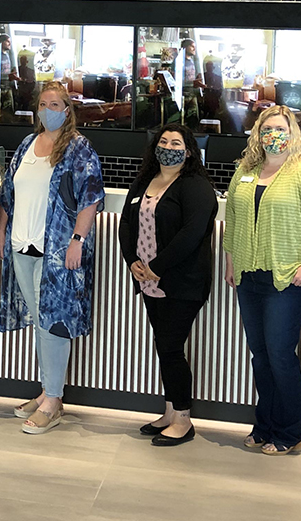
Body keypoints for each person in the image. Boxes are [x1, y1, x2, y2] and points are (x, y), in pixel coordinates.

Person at [224, 105, 301, 455]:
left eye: (281, 128)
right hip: (248, 277)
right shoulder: (246, 171)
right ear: (258, 133)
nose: (274, 134)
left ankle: (289, 431)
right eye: (268, 128)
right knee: (260, 356)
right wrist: (231, 263)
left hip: (287, 281)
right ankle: (264, 426)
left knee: (280, 355)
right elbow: (231, 221)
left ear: (292, 134)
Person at [0, 81, 104, 434]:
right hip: (21, 245)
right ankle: (46, 391)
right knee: (42, 323)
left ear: (67, 109)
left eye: (55, 104)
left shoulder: (78, 148)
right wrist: (1, 231)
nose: (48, 110)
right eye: (43, 104)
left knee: (54, 323)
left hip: (57, 251)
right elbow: (8, 193)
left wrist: (77, 240)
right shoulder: (27, 144)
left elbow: (91, 199)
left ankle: (54, 401)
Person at [118, 123, 217, 446]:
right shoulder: (144, 181)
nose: (169, 147)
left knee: (171, 348)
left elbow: (192, 233)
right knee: (165, 347)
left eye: (176, 143)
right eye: (163, 141)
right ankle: (170, 412)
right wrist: (131, 259)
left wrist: (157, 267)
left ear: (189, 151)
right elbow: (126, 224)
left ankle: (184, 420)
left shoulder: (195, 186)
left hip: (181, 282)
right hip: (148, 281)